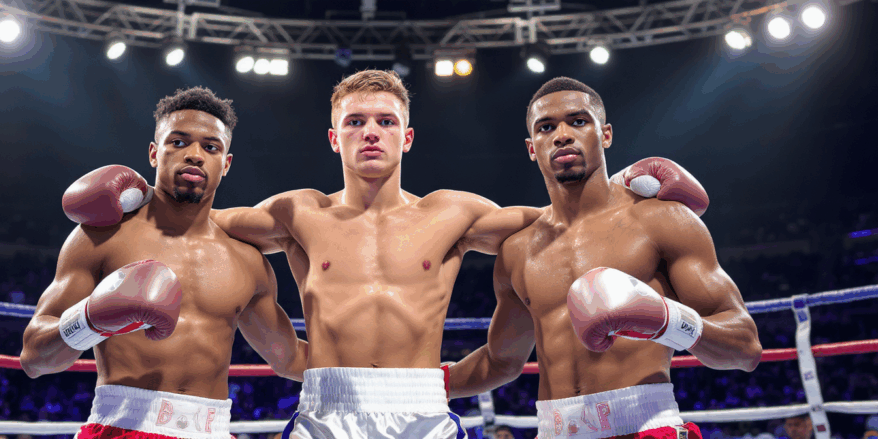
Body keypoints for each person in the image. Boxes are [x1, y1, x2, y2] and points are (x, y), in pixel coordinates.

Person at [66, 70, 709, 439]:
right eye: (355, 122)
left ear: (407, 136)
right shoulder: (296, 213)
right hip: (325, 406)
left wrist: (629, 186)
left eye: (384, 121)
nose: (370, 132)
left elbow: (559, 219)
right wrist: (134, 193)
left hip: (423, 406)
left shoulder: (455, 213)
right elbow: (195, 220)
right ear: (334, 137)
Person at [448, 76, 762, 439]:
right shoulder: (516, 251)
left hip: (644, 427)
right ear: (532, 148)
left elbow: (746, 347)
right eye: (546, 127)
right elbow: (500, 361)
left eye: (578, 121)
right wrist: (424, 386)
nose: (562, 135)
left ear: (606, 134)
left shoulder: (661, 220)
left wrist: (667, 319)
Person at [19, 86, 308, 439]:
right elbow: (33, 358)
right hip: (121, 428)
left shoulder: (248, 261)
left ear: (226, 164)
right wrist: (91, 319)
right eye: (179, 142)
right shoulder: (102, 236)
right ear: (155, 154)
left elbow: (289, 358)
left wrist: (369, 363)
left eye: (211, 147)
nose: (195, 155)